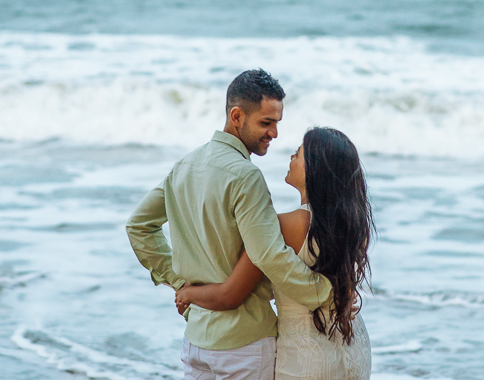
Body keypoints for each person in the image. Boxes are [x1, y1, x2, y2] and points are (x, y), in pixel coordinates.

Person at [127, 69, 333, 380]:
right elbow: (269, 255)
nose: (275, 133)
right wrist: (325, 294)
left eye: (277, 122)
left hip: (196, 342)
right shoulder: (246, 176)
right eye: (266, 122)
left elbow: (139, 225)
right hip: (244, 344)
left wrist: (182, 284)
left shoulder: (184, 166)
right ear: (237, 116)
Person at [175, 127, 374, 380]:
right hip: (353, 344)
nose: (291, 158)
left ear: (316, 169)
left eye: (298, 154)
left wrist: (188, 293)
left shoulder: (283, 227)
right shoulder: (356, 227)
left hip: (306, 355)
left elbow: (231, 293)